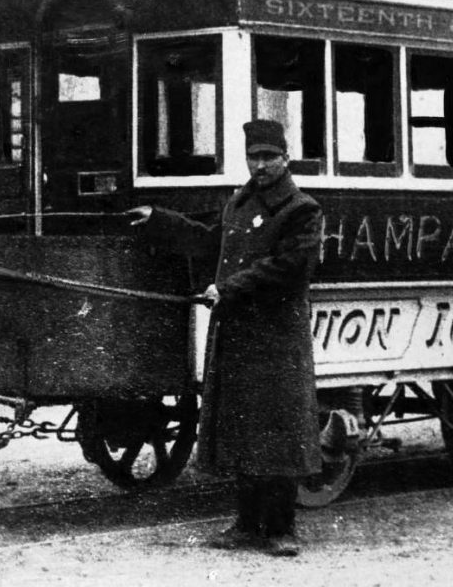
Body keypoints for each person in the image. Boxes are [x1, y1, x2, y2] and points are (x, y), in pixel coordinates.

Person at [128, 119, 322, 557]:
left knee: (277, 434)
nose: (260, 165)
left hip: (276, 342)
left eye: (269, 157)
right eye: (254, 157)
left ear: (285, 158)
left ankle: (281, 528)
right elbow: (209, 242)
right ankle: (245, 525)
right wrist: (159, 219)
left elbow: (290, 267)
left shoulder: (301, 209)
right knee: (243, 433)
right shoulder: (239, 204)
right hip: (238, 336)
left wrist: (228, 288)